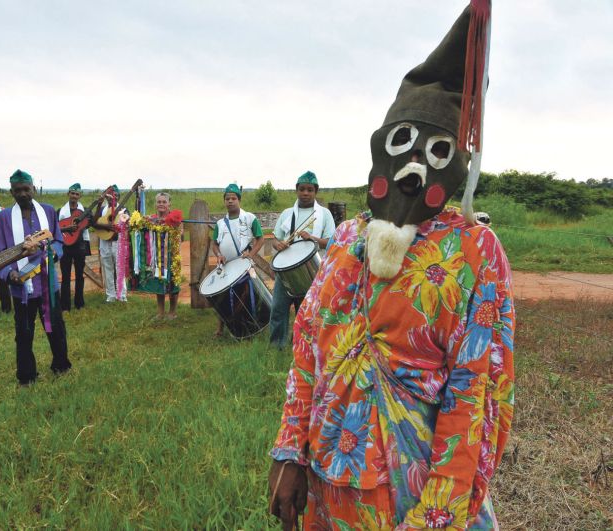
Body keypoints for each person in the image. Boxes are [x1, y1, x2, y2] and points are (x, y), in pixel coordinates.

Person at [269, 5, 515, 529]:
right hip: (327, 487)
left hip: (413, 500)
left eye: (436, 150)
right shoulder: (347, 238)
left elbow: (476, 390)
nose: (412, 168)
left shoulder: (473, 252)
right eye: (402, 141)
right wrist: (290, 450)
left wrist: (437, 516)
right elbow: (308, 343)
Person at [0, 169, 72, 385]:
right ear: (11, 192)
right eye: (17, 190)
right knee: (24, 333)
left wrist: (53, 254)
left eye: (26, 189)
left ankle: (61, 365)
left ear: (34, 189)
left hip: (48, 283)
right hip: (21, 288)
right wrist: (9, 274)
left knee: (56, 327)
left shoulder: (48, 211)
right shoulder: (3, 218)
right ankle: (27, 376)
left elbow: (58, 240)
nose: (22, 194)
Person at [268, 171, 336, 349]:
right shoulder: (287, 213)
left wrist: (312, 238)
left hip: (311, 270)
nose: (306, 193)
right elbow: (275, 239)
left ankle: (304, 347)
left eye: (310, 190)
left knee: (307, 311)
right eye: (302, 189)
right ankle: (277, 346)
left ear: (315, 192)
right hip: (286, 270)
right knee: (278, 309)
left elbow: (331, 242)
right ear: (296, 190)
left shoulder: (324, 214)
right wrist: (278, 244)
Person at [210, 183, 264, 337]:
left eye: (233, 198)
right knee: (224, 296)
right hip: (226, 266)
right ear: (224, 201)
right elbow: (214, 244)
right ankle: (221, 328)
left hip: (244, 265)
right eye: (227, 198)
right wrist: (218, 254)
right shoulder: (220, 224)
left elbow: (260, 239)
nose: (230, 201)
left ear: (239, 200)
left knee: (247, 295)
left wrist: (251, 254)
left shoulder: (250, 218)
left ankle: (252, 325)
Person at [142, 192, 183, 319]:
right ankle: (160, 312)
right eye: (159, 202)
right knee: (158, 281)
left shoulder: (175, 217)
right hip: (157, 257)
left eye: (164, 202)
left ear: (169, 204)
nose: (161, 204)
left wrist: (169, 223)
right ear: (156, 204)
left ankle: (172, 311)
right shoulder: (152, 219)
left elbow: (181, 234)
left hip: (171, 256)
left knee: (172, 283)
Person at [57, 183, 90, 311]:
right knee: (65, 276)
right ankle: (65, 305)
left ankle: (79, 303)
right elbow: (55, 228)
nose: (74, 196)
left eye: (77, 194)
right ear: (68, 194)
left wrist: (98, 206)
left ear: (80, 196)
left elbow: (91, 222)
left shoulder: (84, 211)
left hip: (80, 246)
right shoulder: (60, 211)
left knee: (79, 275)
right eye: (72, 193)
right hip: (65, 246)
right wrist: (67, 228)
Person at [93, 185, 127, 302]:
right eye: (111, 195)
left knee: (119, 269)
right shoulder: (102, 209)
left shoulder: (123, 209)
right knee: (108, 268)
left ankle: (122, 295)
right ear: (107, 197)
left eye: (116, 195)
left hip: (117, 243)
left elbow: (127, 225)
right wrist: (106, 226)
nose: (113, 197)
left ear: (119, 197)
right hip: (104, 242)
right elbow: (94, 223)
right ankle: (110, 295)